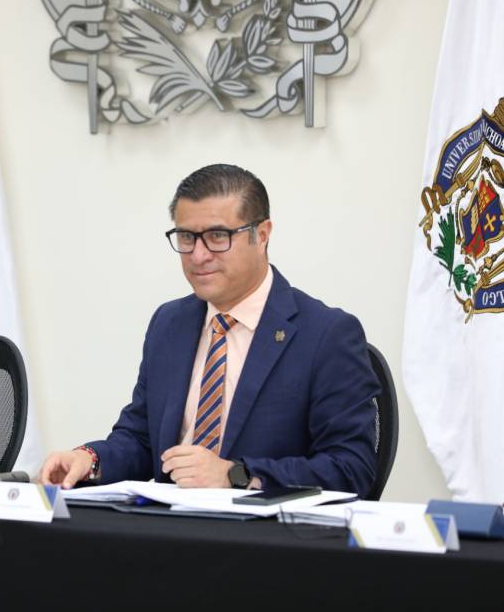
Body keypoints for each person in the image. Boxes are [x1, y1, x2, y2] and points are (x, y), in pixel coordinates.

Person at [39, 164, 379, 496]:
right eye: (187, 237)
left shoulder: (326, 334)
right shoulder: (170, 322)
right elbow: (142, 440)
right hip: (168, 524)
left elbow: (351, 468)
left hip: (264, 528)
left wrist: (235, 475)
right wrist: (90, 460)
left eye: (218, 236)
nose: (198, 256)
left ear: (262, 235)